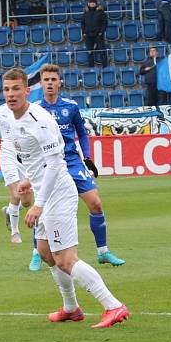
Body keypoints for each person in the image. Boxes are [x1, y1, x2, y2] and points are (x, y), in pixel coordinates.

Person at [2, 67, 130, 328]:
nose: (10, 94)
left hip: (57, 194)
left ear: (27, 90)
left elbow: (55, 164)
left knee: (65, 259)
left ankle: (113, 305)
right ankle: (71, 308)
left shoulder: (39, 119)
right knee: (45, 252)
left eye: (16, 89)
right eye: (6, 89)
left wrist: (37, 205)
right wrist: (28, 181)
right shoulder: (15, 119)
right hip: (45, 191)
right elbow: (38, 163)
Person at [37, 64, 126, 267]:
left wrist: (86, 156)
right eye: (46, 80)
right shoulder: (35, 110)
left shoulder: (71, 107)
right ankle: (37, 252)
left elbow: (83, 133)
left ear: (59, 82)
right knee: (43, 207)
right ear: (41, 83)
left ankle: (103, 251)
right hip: (48, 164)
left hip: (71, 161)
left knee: (95, 203)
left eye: (53, 79)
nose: (50, 83)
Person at [0, 98, 35, 249]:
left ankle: (10, 210)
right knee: (16, 194)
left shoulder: (29, 111)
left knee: (26, 202)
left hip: (25, 155)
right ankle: (15, 232)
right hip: (7, 154)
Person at [81, 0, 107, 67]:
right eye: (91, 2)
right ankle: (91, 67)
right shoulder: (85, 13)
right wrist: (84, 32)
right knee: (89, 52)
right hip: (88, 35)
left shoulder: (101, 12)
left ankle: (105, 66)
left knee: (102, 51)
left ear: (96, 4)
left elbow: (105, 23)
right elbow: (82, 23)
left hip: (98, 34)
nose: (92, 4)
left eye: (93, 3)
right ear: (88, 4)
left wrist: (101, 32)